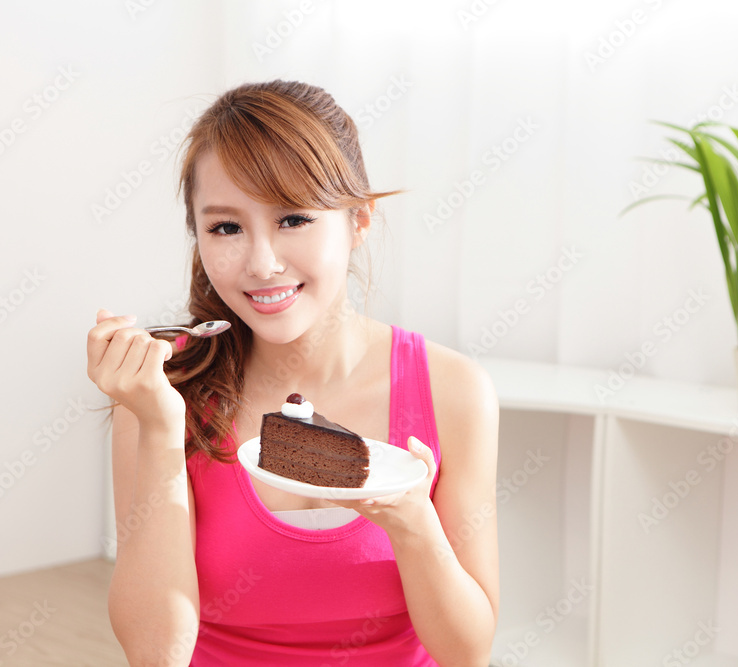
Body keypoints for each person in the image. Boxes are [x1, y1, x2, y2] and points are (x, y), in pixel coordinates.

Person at [86, 79, 499, 666]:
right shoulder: (164, 396)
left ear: (359, 220)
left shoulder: (454, 392)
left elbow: (467, 653)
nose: (262, 264)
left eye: (293, 219)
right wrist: (156, 427)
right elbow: (156, 655)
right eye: (226, 227)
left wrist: (413, 528)